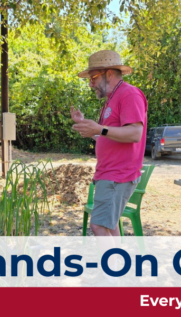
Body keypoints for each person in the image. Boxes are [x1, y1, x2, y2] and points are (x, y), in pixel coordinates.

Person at [71, 50, 148, 238]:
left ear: (110, 74)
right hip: (110, 174)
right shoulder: (112, 99)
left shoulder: (129, 94)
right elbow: (108, 136)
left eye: (94, 78)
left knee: (98, 226)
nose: (91, 84)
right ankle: (118, 258)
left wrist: (99, 129)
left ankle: (111, 259)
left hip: (118, 175)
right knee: (109, 225)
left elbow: (135, 133)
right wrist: (88, 127)